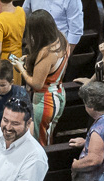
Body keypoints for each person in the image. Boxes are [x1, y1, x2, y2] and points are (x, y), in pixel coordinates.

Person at [17, 9, 68, 146]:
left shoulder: (46, 52)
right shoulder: (61, 38)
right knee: (48, 135)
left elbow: (37, 84)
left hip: (45, 101)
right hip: (59, 91)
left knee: (40, 142)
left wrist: (21, 68)